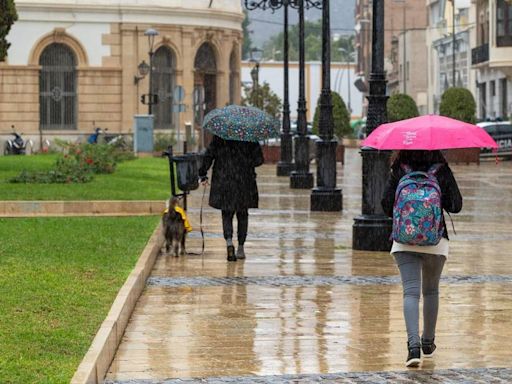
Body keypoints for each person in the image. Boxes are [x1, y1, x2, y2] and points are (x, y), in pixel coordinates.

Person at [381, 150, 463, 368]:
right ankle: (428, 341)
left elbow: (385, 204)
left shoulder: (400, 168)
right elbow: (456, 205)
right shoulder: (440, 169)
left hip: (403, 240)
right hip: (436, 241)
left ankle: (413, 347)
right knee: (431, 291)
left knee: (410, 292)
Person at [198, 135, 264, 262]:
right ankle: (240, 247)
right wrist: (246, 159)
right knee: (243, 213)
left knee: (227, 212)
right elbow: (259, 160)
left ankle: (229, 242)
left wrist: (202, 172)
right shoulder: (249, 136)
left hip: (224, 178)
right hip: (244, 180)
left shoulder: (221, 135)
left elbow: (209, 154)